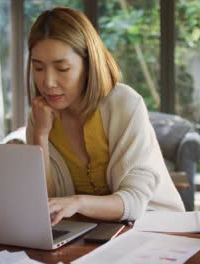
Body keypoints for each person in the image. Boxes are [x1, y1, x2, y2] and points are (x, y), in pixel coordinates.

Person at [25, 7, 185, 225]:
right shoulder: (40, 117)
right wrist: (40, 135)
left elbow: (135, 201)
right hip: (88, 234)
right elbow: (46, 201)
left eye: (62, 69)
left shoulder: (125, 104)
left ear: (89, 65)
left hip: (153, 227)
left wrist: (78, 203)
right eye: (39, 68)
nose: (48, 82)